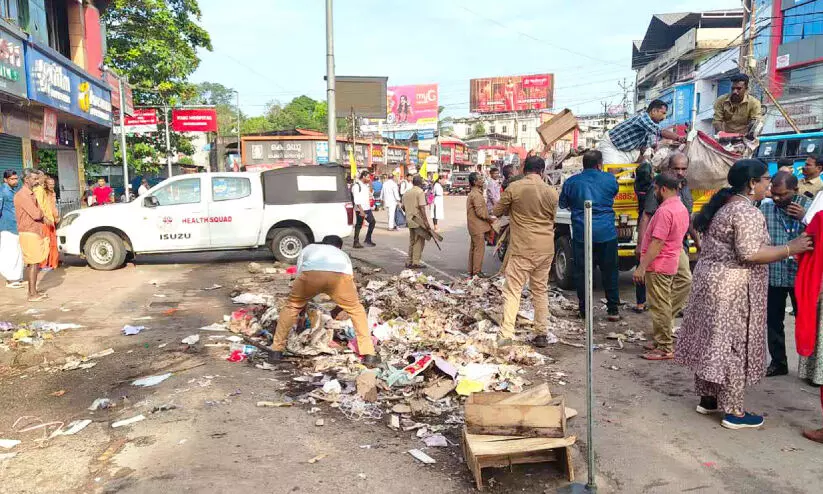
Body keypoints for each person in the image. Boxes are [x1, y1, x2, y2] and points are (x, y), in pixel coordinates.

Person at [675, 160, 813, 430]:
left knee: (713, 341)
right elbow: (750, 253)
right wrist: (791, 248)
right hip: (733, 288)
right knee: (735, 345)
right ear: (751, 183)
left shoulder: (726, 205)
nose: (768, 186)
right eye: (765, 180)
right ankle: (734, 411)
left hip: (712, 283)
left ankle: (709, 398)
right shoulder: (745, 211)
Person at [269, 235, 381, 368]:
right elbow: (350, 283)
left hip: (310, 274)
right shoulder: (342, 254)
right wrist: (341, 307)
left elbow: (300, 273)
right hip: (339, 276)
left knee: (291, 307)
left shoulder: (309, 248)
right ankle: (369, 354)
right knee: (356, 310)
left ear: (323, 243)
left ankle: (276, 351)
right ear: (338, 247)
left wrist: (301, 308)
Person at [492, 156, 559, 348]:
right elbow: (552, 218)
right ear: (542, 171)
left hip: (522, 248)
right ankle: (541, 333)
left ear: (524, 170)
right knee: (540, 290)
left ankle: (506, 334)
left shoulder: (515, 188)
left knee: (513, 291)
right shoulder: (551, 192)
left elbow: (497, 211)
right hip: (545, 248)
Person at [633, 172, 692, 360]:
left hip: (659, 264)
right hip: (670, 260)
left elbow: (657, 243)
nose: (655, 192)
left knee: (660, 306)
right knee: (663, 304)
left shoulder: (665, 211)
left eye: (656, 189)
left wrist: (642, 267)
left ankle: (665, 346)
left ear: (663, 189)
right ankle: (661, 338)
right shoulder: (680, 207)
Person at [559, 150, 622, 321]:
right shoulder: (610, 179)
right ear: (600, 164)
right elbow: (613, 194)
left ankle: (584, 310)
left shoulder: (572, 182)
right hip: (607, 233)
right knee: (610, 271)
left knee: (582, 272)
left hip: (582, 233)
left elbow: (563, 203)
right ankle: (613, 309)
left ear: (583, 164)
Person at [635, 153, 699, 313]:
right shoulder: (659, 188)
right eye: (676, 168)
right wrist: (640, 244)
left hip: (678, 242)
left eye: (684, 169)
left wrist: (697, 239)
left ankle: (667, 311)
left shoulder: (684, 188)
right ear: (669, 168)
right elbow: (646, 216)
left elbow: (688, 216)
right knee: (652, 275)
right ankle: (646, 305)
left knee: (684, 280)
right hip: (660, 242)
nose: (680, 172)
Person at [761, 172, 810, 377]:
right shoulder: (765, 209)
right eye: (774, 193)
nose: (777, 198)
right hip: (775, 274)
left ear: (795, 191)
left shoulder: (811, 208)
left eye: (783, 195)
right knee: (773, 320)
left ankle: (810, 368)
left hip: (802, 276)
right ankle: (778, 362)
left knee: (806, 320)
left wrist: (804, 218)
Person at [597, 100, 685, 164]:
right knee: (614, 169)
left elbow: (644, 148)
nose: (664, 117)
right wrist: (678, 138)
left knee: (639, 167)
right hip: (611, 145)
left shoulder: (650, 128)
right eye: (663, 113)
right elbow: (661, 131)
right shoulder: (643, 118)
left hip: (627, 149)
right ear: (654, 111)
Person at [14, 169, 50, 302]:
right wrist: (42, 213)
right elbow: (36, 214)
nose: (36, 181)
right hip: (29, 231)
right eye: (34, 179)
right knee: (33, 264)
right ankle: (32, 294)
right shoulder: (23, 195)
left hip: (33, 231)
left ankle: (33, 291)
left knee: (34, 263)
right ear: (26, 179)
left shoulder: (30, 194)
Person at [0, 170, 24, 289]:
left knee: (17, 252)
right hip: (7, 226)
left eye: (16, 178)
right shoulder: (3, 191)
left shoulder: (14, 190)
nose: (15, 181)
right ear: (5, 180)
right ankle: (10, 279)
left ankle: (17, 277)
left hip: (15, 226)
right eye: (12, 179)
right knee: (9, 253)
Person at [467, 172, 493, 278]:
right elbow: (480, 212)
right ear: (475, 182)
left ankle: (472, 271)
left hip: (474, 226)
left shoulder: (474, 193)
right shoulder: (476, 195)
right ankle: (477, 271)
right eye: (480, 179)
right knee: (479, 249)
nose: (482, 180)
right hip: (477, 226)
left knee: (474, 249)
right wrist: (490, 218)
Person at [402, 175, 431, 268]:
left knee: (412, 241)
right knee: (419, 241)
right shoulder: (420, 192)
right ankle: (415, 262)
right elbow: (422, 208)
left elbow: (403, 207)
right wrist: (426, 222)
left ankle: (409, 261)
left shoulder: (407, 192)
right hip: (418, 219)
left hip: (409, 219)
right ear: (420, 183)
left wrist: (409, 213)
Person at [39, 175, 59, 272]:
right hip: (46, 220)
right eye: (50, 184)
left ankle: (53, 262)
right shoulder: (42, 192)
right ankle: (44, 263)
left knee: (52, 241)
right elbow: (44, 207)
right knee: (46, 242)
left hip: (51, 219)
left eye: (53, 184)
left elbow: (53, 206)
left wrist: (56, 216)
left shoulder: (52, 193)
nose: (52, 186)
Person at [351, 171, 375, 249]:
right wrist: (361, 210)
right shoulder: (356, 186)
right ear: (363, 177)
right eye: (368, 177)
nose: (369, 179)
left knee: (372, 222)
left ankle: (368, 239)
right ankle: (356, 242)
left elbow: (371, 194)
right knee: (359, 225)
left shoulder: (365, 186)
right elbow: (356, 199)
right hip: (360, 209)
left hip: (367, 208)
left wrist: (370, 184)